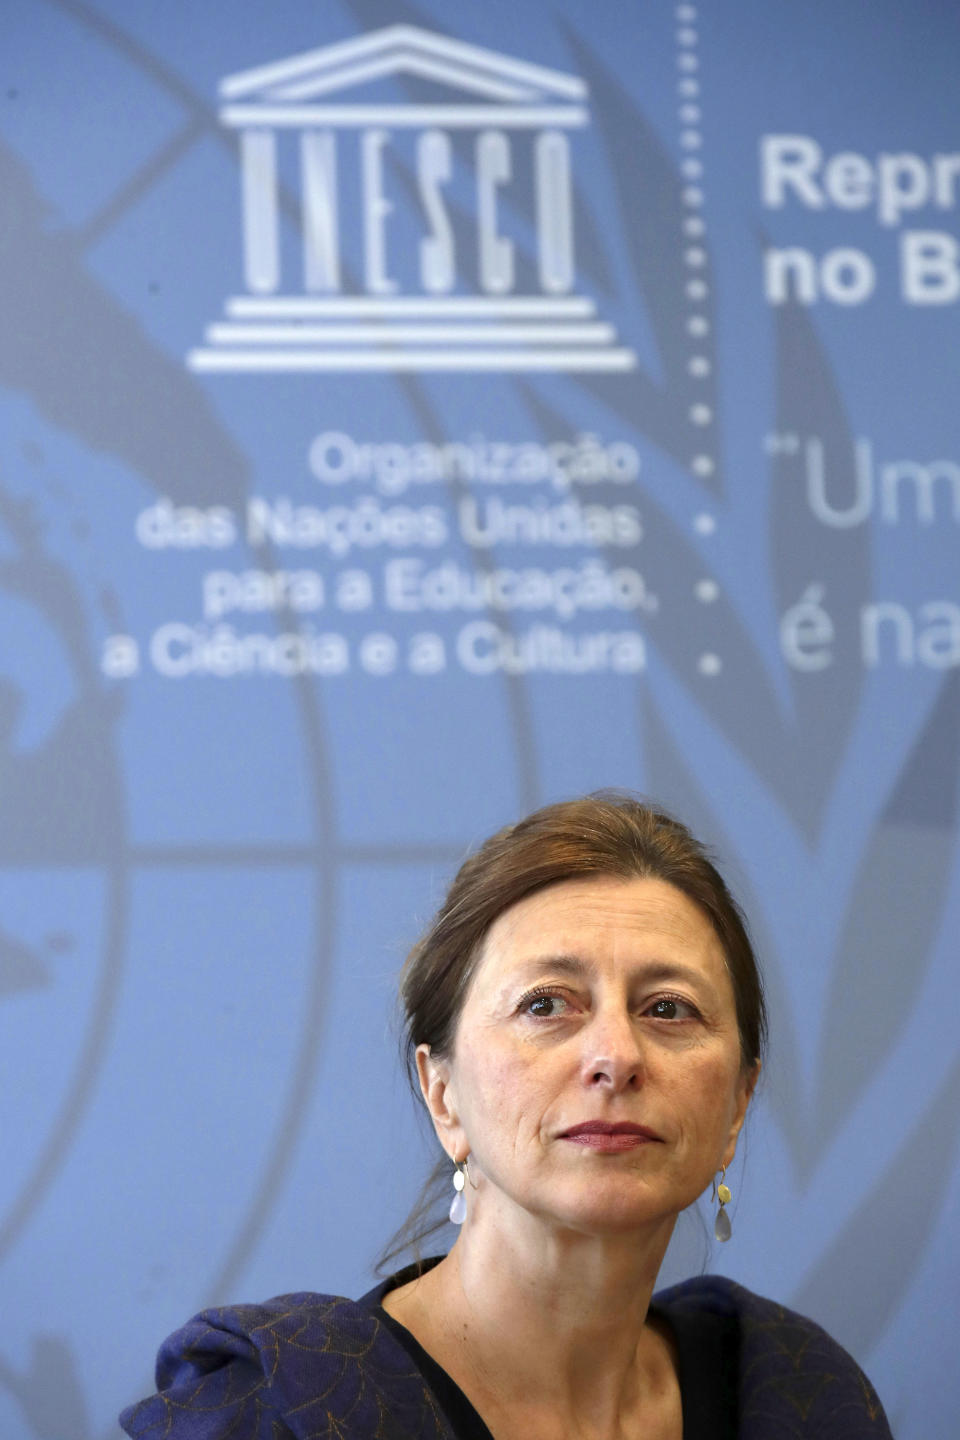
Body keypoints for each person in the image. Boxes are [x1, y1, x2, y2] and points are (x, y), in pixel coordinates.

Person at [120, 794, 892, 1440]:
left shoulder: (797, 1398)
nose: (615, 1055)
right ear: (443, 1093)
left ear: (738, 1105)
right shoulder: (274, 1413)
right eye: (546, 1004)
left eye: (668, 1009)